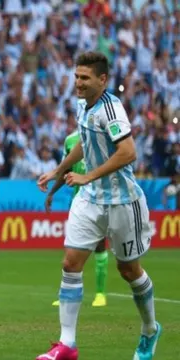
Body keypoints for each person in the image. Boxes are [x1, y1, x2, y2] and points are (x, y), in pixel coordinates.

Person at [37, 52, 161, 360]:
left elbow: (128, 152)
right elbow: (85, 142)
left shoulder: (111, 109)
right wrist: (58, 170)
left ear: (102, 80)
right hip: (91, 199)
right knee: (70, 264)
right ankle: (67, 345)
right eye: (76, 77)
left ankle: (149, 330)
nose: (77, 83)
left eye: (84, 78)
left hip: (122, 201)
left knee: (129, 270)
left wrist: (87, 175)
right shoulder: (83, 106)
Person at [47, 130, 109, 308]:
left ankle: (100, 294)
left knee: (99, 246)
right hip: (78, 203)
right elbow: (66, 169)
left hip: (99, 200)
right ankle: (66, 294)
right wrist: (52, 192)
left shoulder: (102, 136)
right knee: (70, 250)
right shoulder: (70, 140)